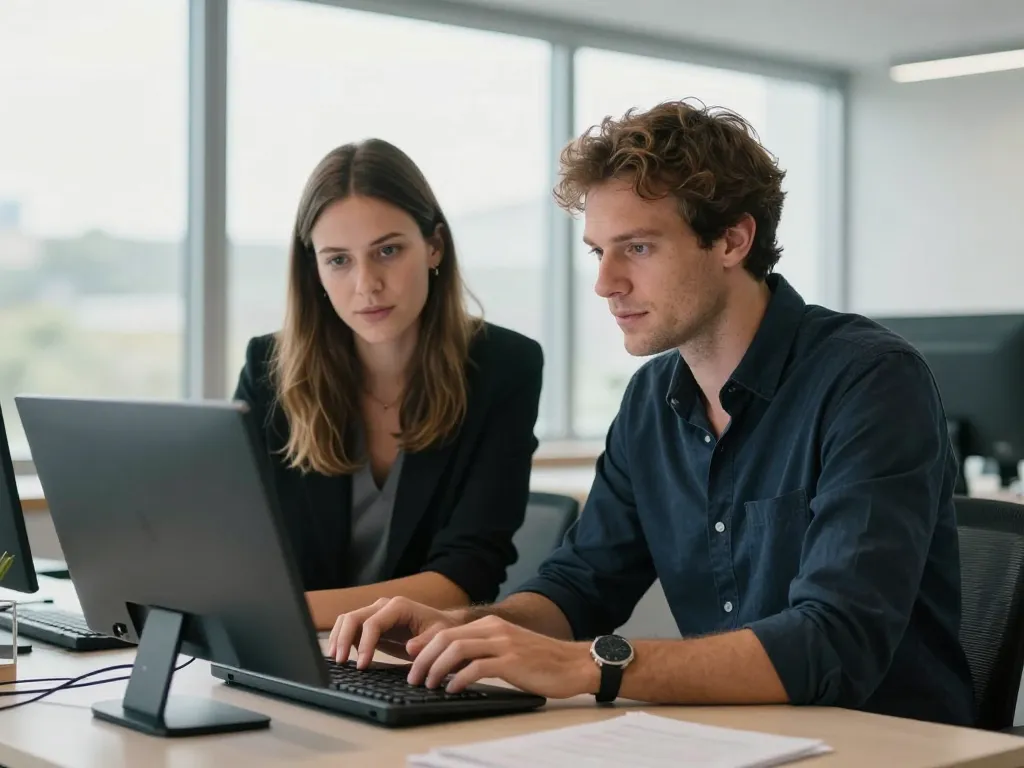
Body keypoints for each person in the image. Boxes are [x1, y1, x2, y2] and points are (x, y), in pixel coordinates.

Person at [325, 101, 978, 726]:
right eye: (598, 251)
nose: (605, 283)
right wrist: (464, 629)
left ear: (732, 239)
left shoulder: (869, 381)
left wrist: (587, 665)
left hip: (892, 745)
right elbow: (580, 586)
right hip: (737, 740)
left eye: (637, 248)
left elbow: (835, 642)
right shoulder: (650, 400)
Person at [233, 138, 544, 631]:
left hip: (416, 654)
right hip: (293, 655)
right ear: (314, 269)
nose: (367, 284)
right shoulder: (268, 369)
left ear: (434, 246)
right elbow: (237, 544)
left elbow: (466, 576)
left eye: (388, 250)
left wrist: (283, 612)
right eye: (339, 260)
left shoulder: (505, 366)